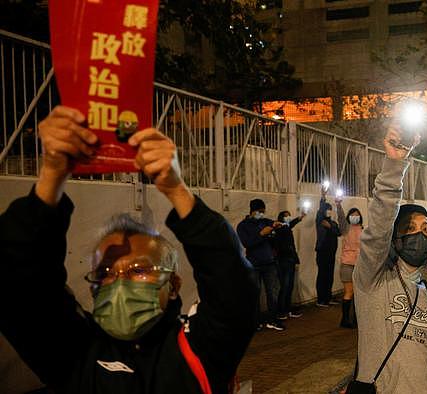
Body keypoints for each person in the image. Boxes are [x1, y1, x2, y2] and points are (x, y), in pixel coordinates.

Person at [0, 106, 257, 393]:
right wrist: (51, 175)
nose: (119, 282)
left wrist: (176, 189)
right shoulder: (72, 350)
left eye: (138, 270)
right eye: (106, 272)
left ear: (173, 285)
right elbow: (16, 278)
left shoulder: (199, 349)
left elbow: (233, 283)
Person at [352, 126, 427, 393]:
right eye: (409, 229)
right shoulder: (372, 281)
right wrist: (395, 165)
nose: (419, 235)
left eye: (426, 229)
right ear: (395, 237)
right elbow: (378, 229)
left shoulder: (425, 291)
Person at [237, 199, 286, 331]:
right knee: (254, 294)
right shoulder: (243, 226)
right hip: (253, 264)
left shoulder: (265, 221)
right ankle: (255, 322)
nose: (262, 214)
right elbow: (247, 243)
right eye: (260, 212)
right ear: (253, 211)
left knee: (273, 292)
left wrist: (276, 226)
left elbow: (274, 225)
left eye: (263, 212)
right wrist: (261, 234)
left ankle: (272, 319)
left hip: (269, 263)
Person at [336, 197, 363, 328]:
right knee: (349, 292)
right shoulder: (346, 228)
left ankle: (356, 319)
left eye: (357, 215)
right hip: (347, 264)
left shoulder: (363, 229)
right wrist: (338, 204)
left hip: (360, 266)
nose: (355, 217)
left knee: (358, 293)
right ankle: (345, 320)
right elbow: (340, 218)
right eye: (352, 215)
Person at [273, 210, 305, 319]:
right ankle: (281, 311)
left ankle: (287, 309)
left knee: (290, 286)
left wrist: (300, 218)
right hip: (283, 261)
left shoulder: (286, 228)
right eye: (286, 216)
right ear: (281, 218)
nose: (288, 217)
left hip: (290, 260)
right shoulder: (279, 229)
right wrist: (297, 219)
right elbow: (288, 226)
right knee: (284, 286)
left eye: (289, 216)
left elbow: (290, 226)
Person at [315, 188, 341, 306]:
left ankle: (328, 298)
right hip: (322, 252)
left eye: (330, 210)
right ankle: (321, 300)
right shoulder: (320, 221)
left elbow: (339, 232)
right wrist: (323, 197)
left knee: (329, 275)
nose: (329, 212)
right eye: (327, 210)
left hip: (331, 253)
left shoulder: (333, 223)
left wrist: (330, 227)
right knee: (322, 275)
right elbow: (320, 211)